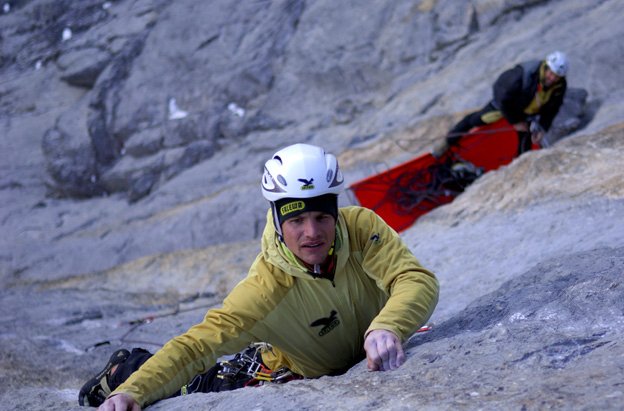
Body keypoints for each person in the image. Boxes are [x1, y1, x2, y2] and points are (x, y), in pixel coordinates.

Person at [79, 143, 440, 410]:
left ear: (336, 212)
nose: (312, 232)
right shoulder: (265, 289)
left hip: (349, 353)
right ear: (280, 222)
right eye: (297, 220)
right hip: (281, 370)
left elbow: (415, 279)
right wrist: (133, 390)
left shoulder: (360, 226)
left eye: (322, 217)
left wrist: (388, 325)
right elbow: (197, 347)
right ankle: (122, 369)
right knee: (197, 385)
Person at [433, 51, 569, 158]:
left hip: (527, 113)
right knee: (475, 120)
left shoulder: (559, 86)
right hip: (506, 107)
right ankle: (447, 142)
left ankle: (520, 166)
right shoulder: (522, 74)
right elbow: (502, 97)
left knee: (525, 143)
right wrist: (514, 121)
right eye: (551, 73)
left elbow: (553, 108)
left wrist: (543, 128)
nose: (552, 78)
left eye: (556, 76)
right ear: (545, 66)